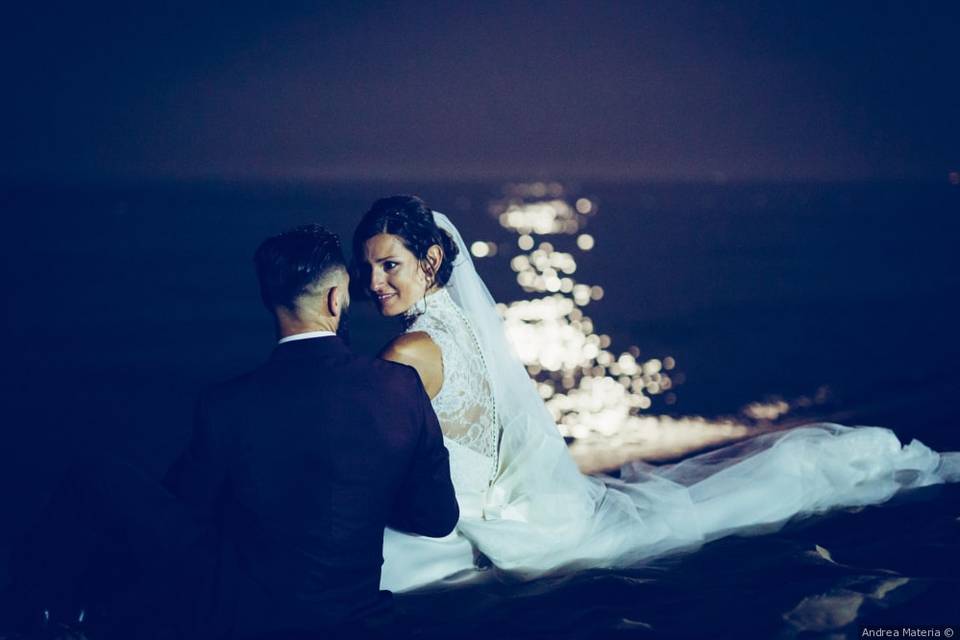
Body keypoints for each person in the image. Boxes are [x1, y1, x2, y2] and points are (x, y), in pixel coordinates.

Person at [351, 195, 960, 593]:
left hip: (475, 523)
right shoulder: (465, 333)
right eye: (368, 268)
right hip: (510, 506)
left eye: (390, 266)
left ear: (431, 260)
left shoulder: (406, 353)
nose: (374, 282)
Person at [3, 224, 459, 639]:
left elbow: (190, 510)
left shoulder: (228, 403)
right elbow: (436, 518)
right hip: (356, 614)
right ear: (336, 299)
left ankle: (44, 618)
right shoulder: (400, 386)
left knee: (95, 476)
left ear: (269, 301)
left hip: (248, 615)